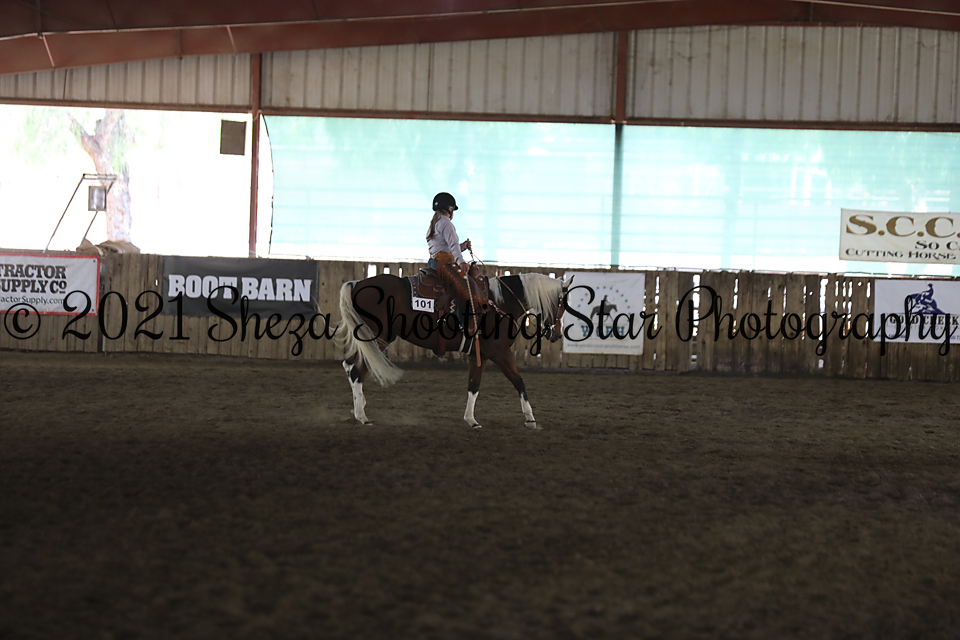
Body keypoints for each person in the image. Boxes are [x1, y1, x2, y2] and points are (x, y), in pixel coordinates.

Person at [425, 192, 489, 326]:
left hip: (434, 263)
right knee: (469, 287)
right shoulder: (446, 223)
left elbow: (446, 247)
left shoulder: (435, 223)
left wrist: (463, 247)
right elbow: (453, 245)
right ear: (450, 209)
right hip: (444, 265)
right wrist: (461, 261)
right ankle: (466, 324)